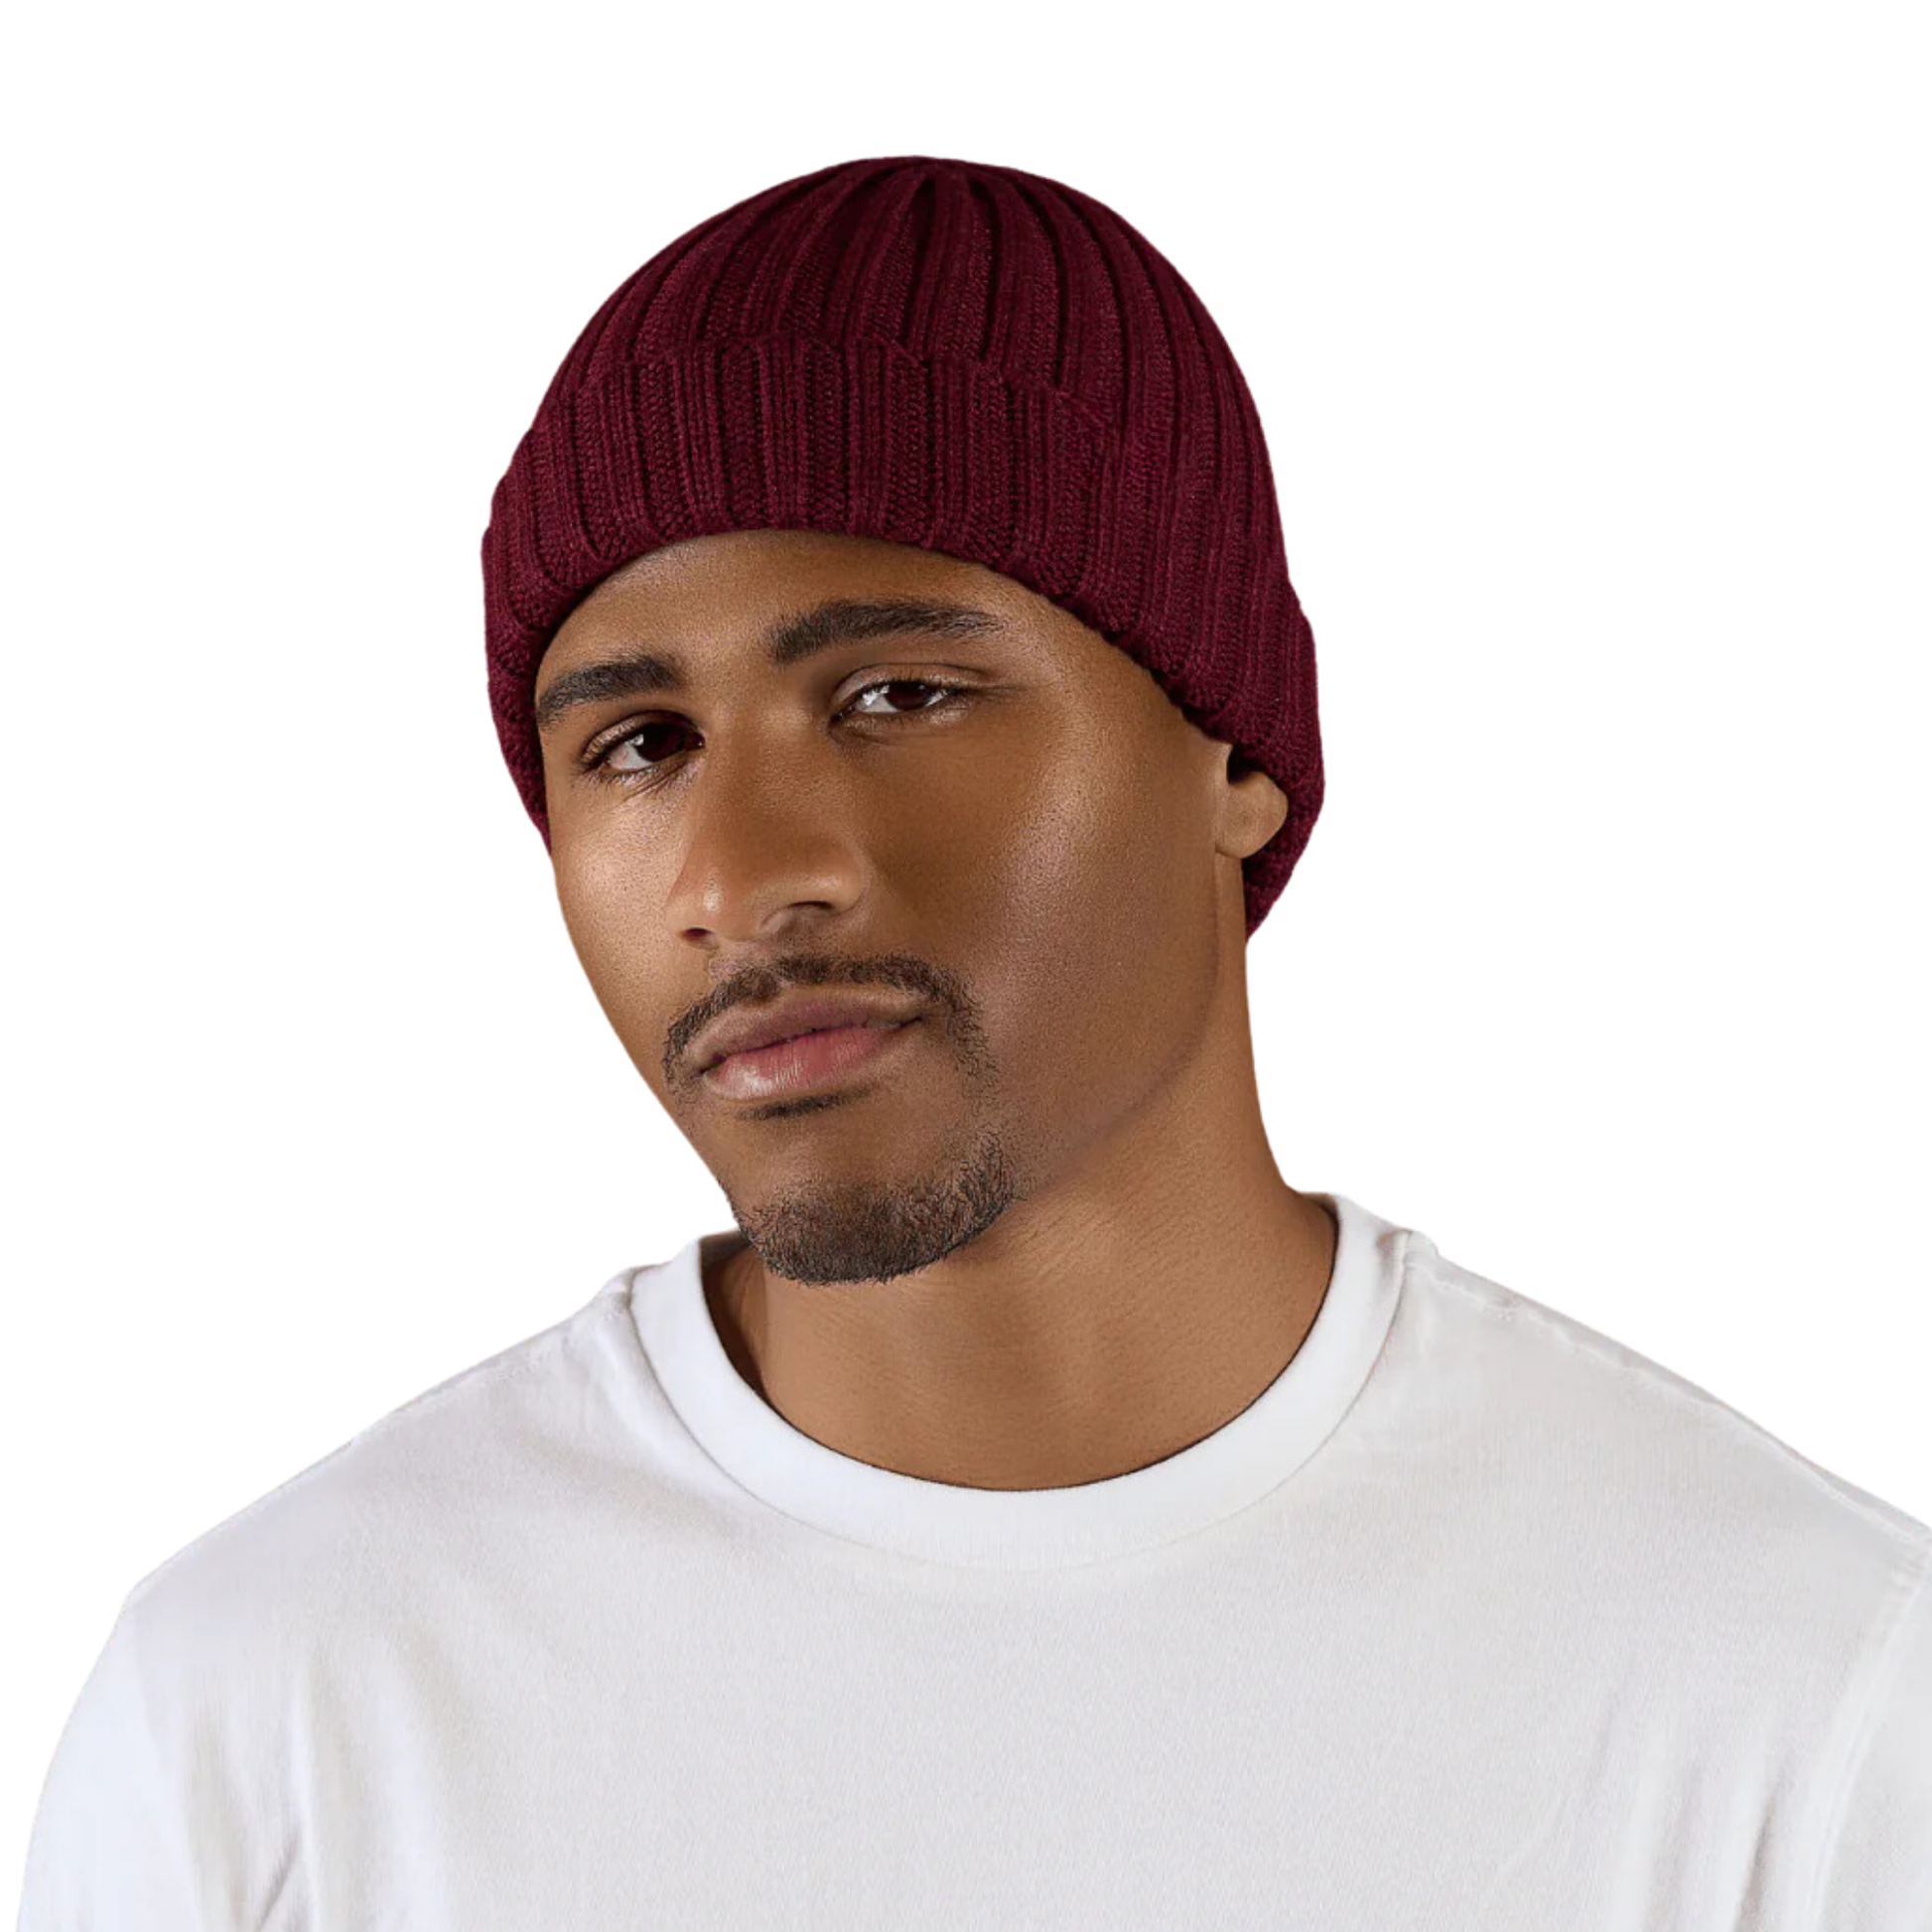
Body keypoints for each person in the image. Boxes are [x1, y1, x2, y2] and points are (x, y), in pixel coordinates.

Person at [19, 153, 1929, 1930]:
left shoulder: (1793, 1696)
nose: (740, 877)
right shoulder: (269, 1717)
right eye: (637, 745)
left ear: (1234, 754)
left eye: (899, 693)